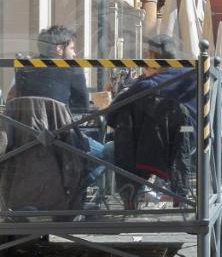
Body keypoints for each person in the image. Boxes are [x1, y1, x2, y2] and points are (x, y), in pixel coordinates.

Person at [104, 34, 197, 206]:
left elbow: (112, 112)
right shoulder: (194, 75)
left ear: (154, 57)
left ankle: (129, 187)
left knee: (125, 132)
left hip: (157, 146)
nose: (144, 59)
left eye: (147, 55)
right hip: (192, 138)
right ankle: (180, 193)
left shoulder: (148, 84)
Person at [11, 25, 91, 114]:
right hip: (61, 126)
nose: (74, 54)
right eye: (72, 48)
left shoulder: (25, 68)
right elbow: (83, 107)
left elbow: (18, 100)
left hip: (27, 125)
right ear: (59, 49)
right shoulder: (72, 69)